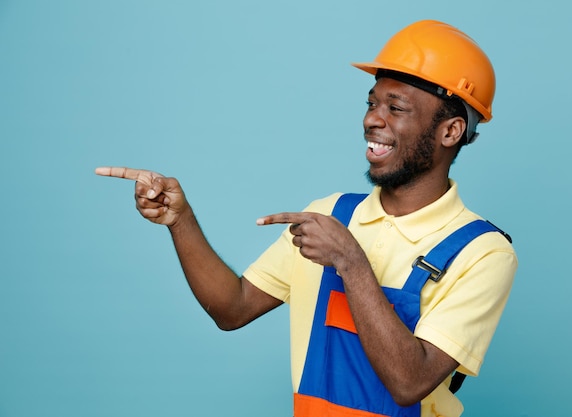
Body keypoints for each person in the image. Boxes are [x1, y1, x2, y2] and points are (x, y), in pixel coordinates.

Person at [96, 20, 517, 417]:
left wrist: (352, 262)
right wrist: (180, 220)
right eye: (372, 103)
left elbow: (410, 383)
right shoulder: (329, 215)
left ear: (451, 131)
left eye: (396, 107)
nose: (372, 118)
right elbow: (232, 308)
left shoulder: (483, 253)